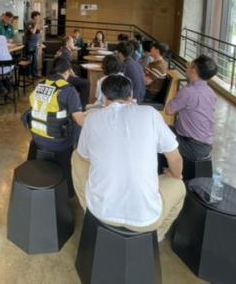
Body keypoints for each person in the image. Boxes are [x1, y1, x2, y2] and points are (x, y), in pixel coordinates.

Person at [72, 74, 185, 239]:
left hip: (101, 212)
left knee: (75, 156)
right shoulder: (151, 114)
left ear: (104, 97)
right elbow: (176, 159)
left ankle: (89, 210)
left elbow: (84, 156)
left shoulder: (92, 118)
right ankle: (155, 238)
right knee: (179, 186)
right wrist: (175, 176)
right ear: (131, 96)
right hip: (145, 218)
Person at [26, 56, 85, 195]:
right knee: (77, 125)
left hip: (37, 138)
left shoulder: (40, 85)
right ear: (67, 72)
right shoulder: (69, 90)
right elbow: (80, 121)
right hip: (59, 143)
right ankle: (69, 188)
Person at [165, 55, 218, 162]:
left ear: (193, 70)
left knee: (156, 134)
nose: (187, 66)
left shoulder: (188, 91)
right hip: (206, 145)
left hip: (191, 146)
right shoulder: (211, 92)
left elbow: (168, 111)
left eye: (189, 64)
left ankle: (171, 170)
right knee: (166, 129)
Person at [56, 36, 90, 108]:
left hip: (57, 75)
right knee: (86, 83)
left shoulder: (62, 49)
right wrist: (74, 76)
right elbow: (68, 67)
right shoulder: (66, 52)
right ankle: (82, 106)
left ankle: (74, 99)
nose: (73, 44)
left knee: (78, 71)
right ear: (67, 43)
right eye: (72, 42)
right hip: (63, 77)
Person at [24, 11, 42, 78]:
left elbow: (38, 32)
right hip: (30, 43)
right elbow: (33, 32)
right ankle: (29, 74)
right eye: (38, 17)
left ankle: (35, 74)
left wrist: (40, 28)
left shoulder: (34, 23)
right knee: (30, 59)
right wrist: (36, 24)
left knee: (35, 60)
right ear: (34, 16)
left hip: (35, 43)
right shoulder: (29, 23)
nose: (39, 18)